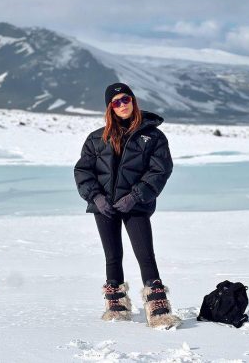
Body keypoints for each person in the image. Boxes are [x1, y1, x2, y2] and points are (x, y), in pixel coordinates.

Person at [73, 82, 181, 329]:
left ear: (133, 101)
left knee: (146, 256)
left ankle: (158, 308)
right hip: (105, 207)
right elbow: (83, 171)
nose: (122, 105)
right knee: (112, 256)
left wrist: (135, 196)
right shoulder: (96, 138)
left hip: (136, 205)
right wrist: (96, 198)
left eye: (126, 99)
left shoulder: (152, 136)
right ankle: (116, 305)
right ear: (109, 107)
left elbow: (160, 170)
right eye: (116, 102)